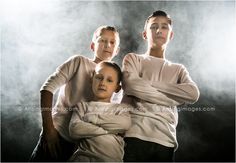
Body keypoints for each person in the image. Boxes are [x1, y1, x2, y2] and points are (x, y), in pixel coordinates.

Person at [29, 25, 120, 161]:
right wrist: (48, 130)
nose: (107, 45)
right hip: (57, 134)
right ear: (92, 46)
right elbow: (47, 89)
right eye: (102, 40)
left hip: (84, 147)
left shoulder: (116, 80)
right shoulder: (79, 62)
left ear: (117, 50)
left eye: (112, 42)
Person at [121, 10, 200, 162]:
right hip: (134, 135)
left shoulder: (178, 69)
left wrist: (145, 83)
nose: (158, 30)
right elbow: (131, 86)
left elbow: (193, 94)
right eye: (153, 26)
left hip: (166, 139)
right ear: (145, 34)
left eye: (164, 27)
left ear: (171, 35)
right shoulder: (133, 58)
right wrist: (173, 100)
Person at [68, 61, 131, 162]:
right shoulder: (82, 106)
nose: (103, 83)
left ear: (117, 88)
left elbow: (125, 124)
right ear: (91, 79)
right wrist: (109, 130)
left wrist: (93, 119)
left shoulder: (120, 109)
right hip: (83, 159)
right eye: (99, 77)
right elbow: (75, 130)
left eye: (109, 80)